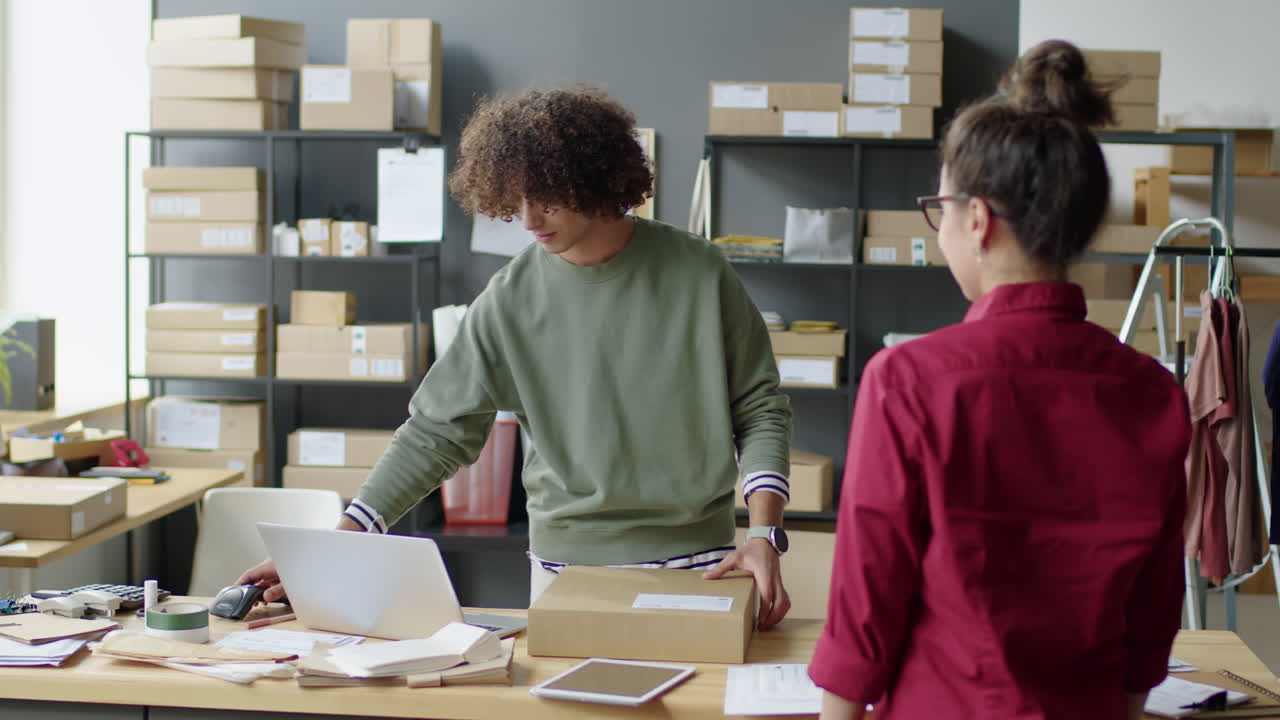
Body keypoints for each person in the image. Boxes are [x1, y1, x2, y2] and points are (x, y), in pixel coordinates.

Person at [238, 86, 795, 628]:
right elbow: (436, 431)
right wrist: (343, 541)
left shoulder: (699, 273)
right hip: (563, 567)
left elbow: (760, 408)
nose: (528, 220)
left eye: (546, 197)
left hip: (696, 564)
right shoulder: (509, 298)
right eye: (515, 198)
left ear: (595, 181)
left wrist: (763, 534)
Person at [808, 40, 1191, 719]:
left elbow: (865, 615)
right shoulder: (1153, 393)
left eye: (942, 209)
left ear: (977, 219)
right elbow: (1148, 627)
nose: (941, 231)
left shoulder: (907, 382)